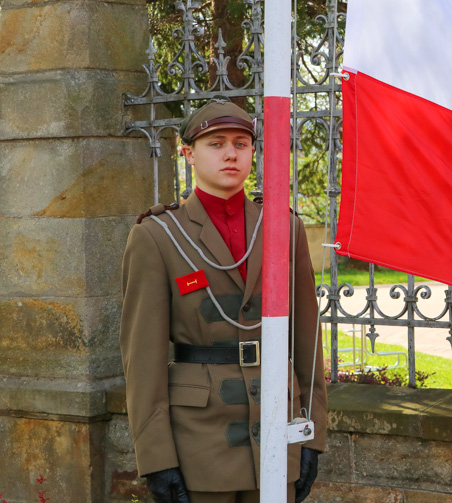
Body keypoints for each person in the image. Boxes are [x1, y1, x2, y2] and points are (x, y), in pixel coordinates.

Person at [120, 98, 327, 503]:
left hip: (276, 426)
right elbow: (141, 360)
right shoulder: (157, 236)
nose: (231, 153)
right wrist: (156, 457)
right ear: (188, 154)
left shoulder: (283, 228)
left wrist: (313, 435)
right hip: (200, 441)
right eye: (215, 143)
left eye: (241, 143)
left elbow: (308, 342)